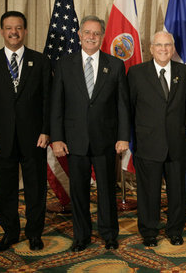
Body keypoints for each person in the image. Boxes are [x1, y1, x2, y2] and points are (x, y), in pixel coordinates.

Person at [50, 15, 130, 252]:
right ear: (80, 35)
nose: (91, 37)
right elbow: (57, 105)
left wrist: (123, 136)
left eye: (96, 33)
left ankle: (109, 234)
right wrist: (56, 137)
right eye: (87, 32)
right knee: (79, 192)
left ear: (102, 36)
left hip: (106, 140)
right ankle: (81, 236)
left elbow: (122, 105)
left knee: (107, 191)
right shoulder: (64, 64)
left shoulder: (115, 65)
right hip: (74, 141)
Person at [0, 11, 51, 252]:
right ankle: (9, 232)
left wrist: (45, 130)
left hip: (34, 139)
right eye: (9, 28)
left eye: (18, 28)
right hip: (1, 139)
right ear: (1, 31)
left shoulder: (40, 61)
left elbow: (47, 101)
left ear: (25, 31)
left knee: (36, 188)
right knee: (5, 189)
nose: (14, 32)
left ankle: (34, 233)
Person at [128, 31, 186, 247]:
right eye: (159, 45)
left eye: (168, 45)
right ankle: (149, 231)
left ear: (173, 49)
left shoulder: (185, 72)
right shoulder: (136, 73)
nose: (163, 49)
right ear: (151, 48)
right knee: (148, 192)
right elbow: (129, 109)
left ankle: (175, 230)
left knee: (177, 192)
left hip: (177, 144)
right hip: (148, 143)